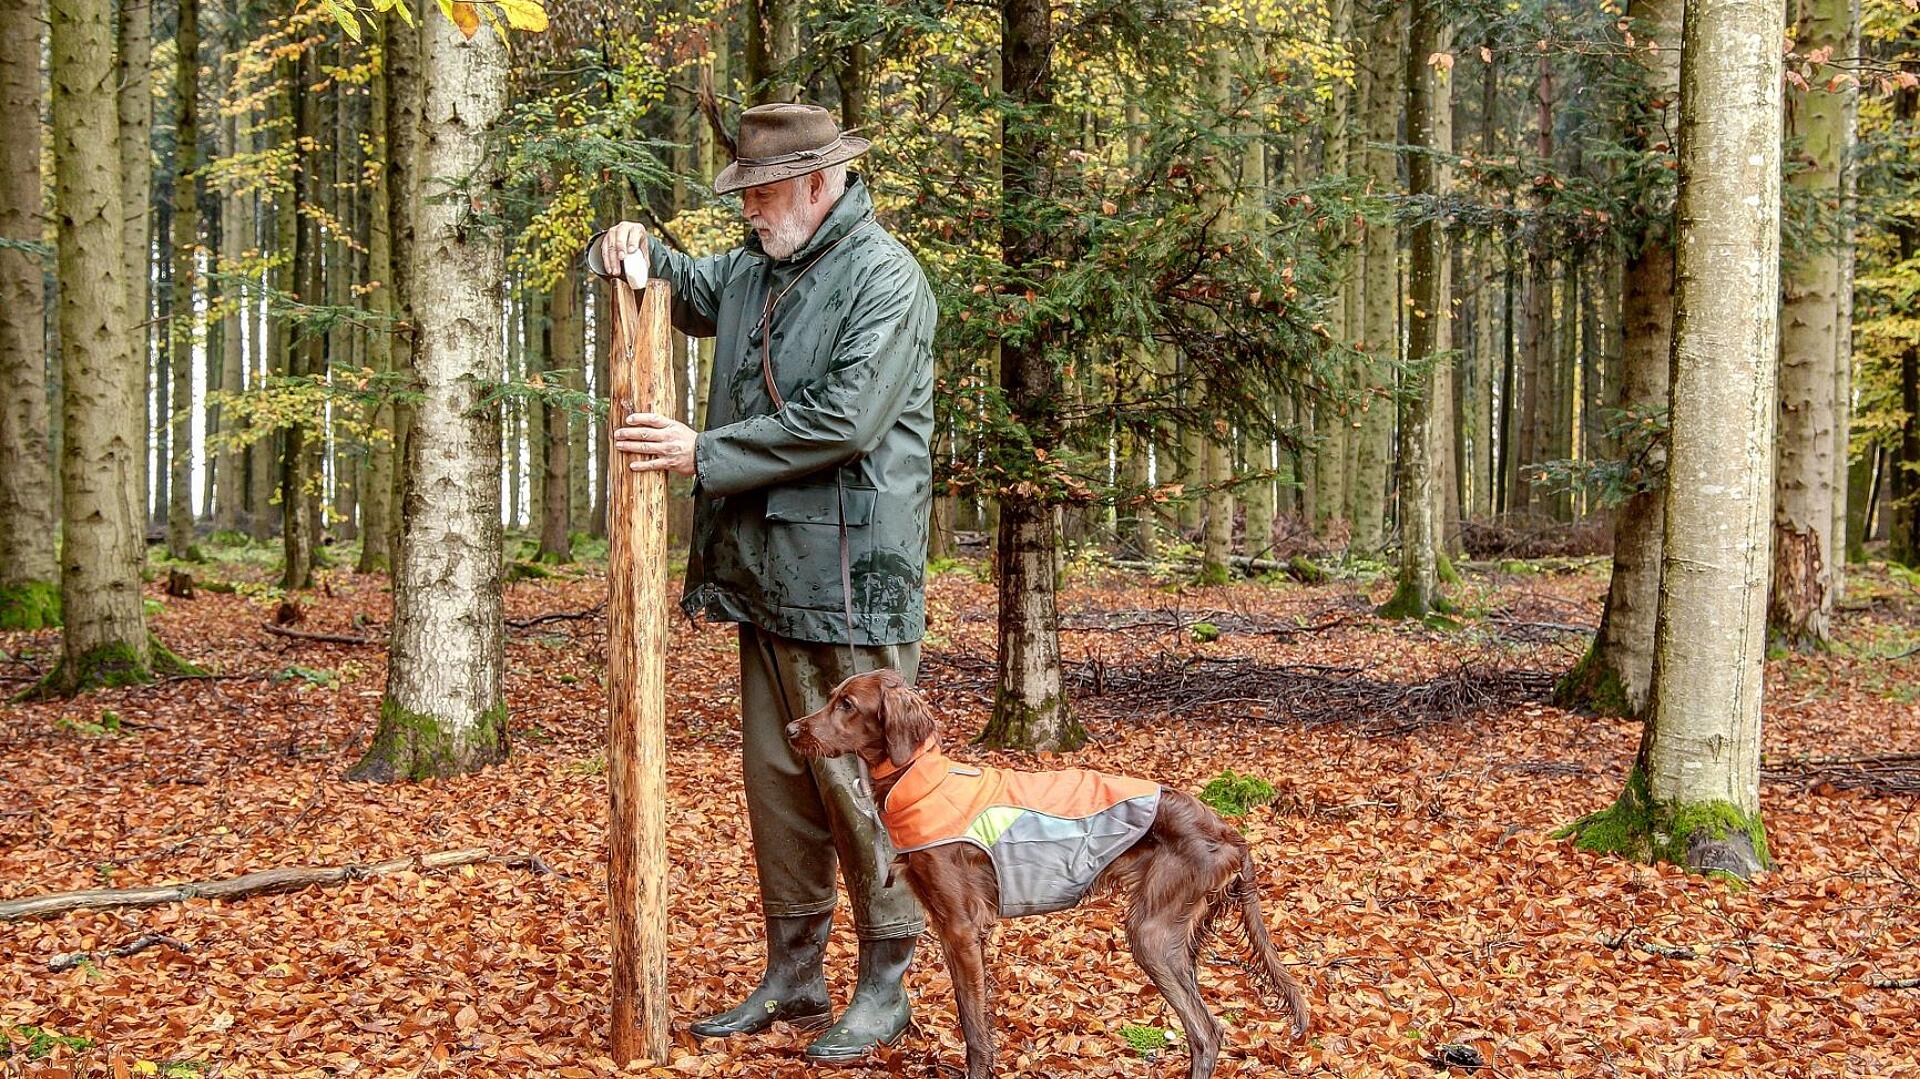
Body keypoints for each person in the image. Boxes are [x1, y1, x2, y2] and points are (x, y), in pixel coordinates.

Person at [586, 102, 936, 1061]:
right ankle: (793, 973)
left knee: (862, 794)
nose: (748, 211)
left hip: (854, 577)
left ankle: (885, 980)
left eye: (764, 193)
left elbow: (847, 418)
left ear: (821, 186)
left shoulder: (886, 277)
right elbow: (684, 282)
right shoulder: (755, 267)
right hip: (766, 577)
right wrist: (628, 244)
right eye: (742, 194)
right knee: (780, 784)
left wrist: (705, 451)